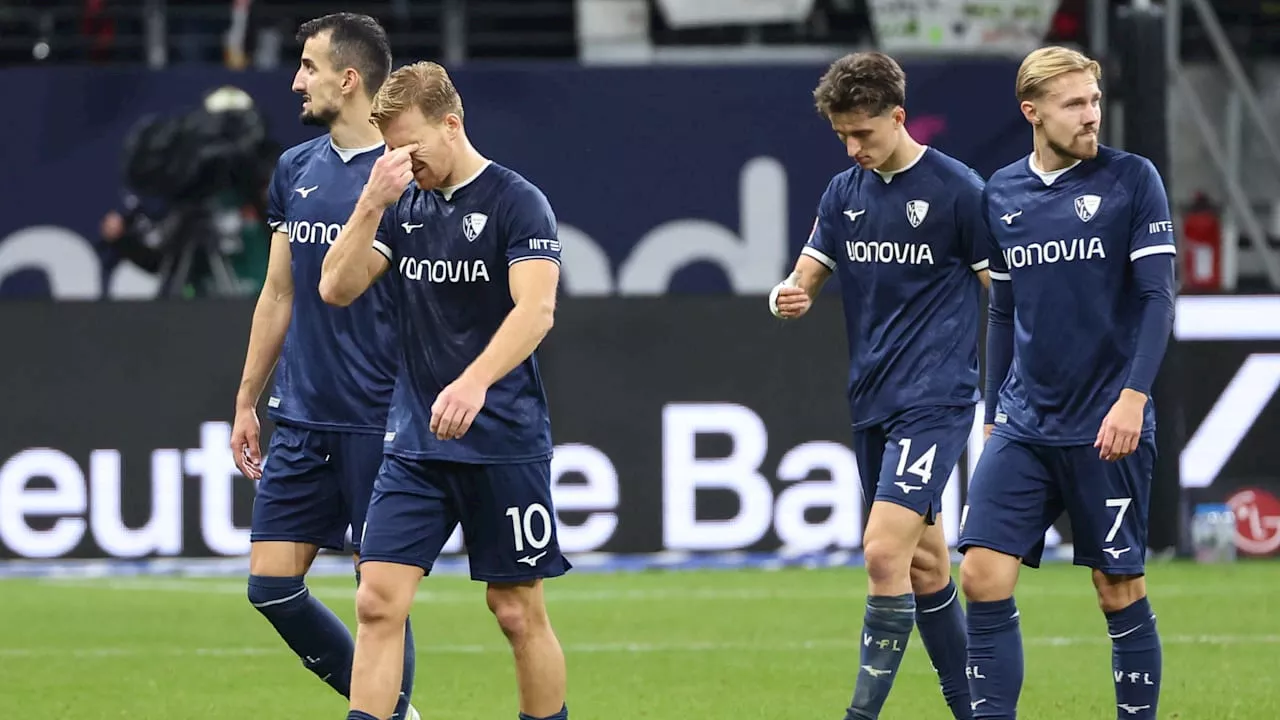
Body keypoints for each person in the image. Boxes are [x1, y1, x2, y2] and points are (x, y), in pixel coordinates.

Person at [318, 61, 571, 720]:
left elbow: (536, 310)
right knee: (376, 600)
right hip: (416, 445)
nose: (401, 162)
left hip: (503, 441)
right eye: (389, 151)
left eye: (409, 146)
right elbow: (335, 287)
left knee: (516, 611)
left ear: (450, 124)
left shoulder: (519, 202)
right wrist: (372, 200)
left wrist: (474, 381)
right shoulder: (403, 208)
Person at [956, 46, 1175, 719]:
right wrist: (994, 410)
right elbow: (1004, 306)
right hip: (1024, 422)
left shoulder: (1132, 180)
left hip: (1106, 422)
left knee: (1117, 586)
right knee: (981, 575)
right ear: (1033, 113)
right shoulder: (1002, 194)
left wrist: (1132, 398)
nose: (1090, 116)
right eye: (1074, 104)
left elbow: (1158, 298)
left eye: (1094, 101)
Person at [769, 51, 988, 720]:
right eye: (842, 136)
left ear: (899, 116)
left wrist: (1016, 387)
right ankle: (976, 710)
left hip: (937, 398)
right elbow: (807, 269)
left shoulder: (959, 191)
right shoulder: (844, 194)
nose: (853, 147)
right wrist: (790, 292)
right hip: (872, 399)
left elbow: (1001, 295)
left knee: (880, 553)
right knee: (926, 568)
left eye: (863, 133)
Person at [229, 13, 418, 720]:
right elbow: (278, 292)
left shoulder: (406, 173)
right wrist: (248, 400)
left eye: (308, 66)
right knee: (271, 586)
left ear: (349, 78)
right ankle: (399, 712)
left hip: (382, 421)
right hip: (302, 415)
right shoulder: (294, 170)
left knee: (382, 597)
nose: (295, 80)